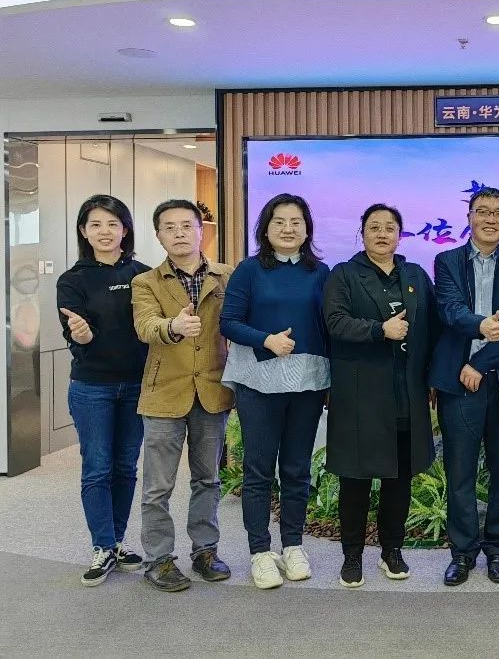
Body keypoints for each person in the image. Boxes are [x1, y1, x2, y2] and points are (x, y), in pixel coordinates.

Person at [323, 204, 439, 588]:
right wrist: (379, 330)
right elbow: (335, 322)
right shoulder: (343, 274)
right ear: (362, 233)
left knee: (398, 479)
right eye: (374, 227)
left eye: (390, 227)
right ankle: (352, 555)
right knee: (355, 480)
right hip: (359, 394)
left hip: (405, 392)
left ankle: (392, 550)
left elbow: (433, 328)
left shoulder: (415, 275)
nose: (382, 233)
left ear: (400, 235)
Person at [219, 193, 330, 590]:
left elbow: (330, 324)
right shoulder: (249, 270)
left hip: (307, 380)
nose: (288, 228)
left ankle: (293, 545)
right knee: (259, 469)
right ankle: (260, 552)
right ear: (265, 229)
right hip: (259, 380)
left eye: (296, 221)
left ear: (307, 229)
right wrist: (266, 340)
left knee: (297, 468)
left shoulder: (321, 272)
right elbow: (229, 322)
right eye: (279, 221)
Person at [429, 186, 499, 587]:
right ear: (469, 216)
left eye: (498, 213)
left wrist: (479, 362)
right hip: (459, 383)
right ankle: (462, 552)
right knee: (460, 470)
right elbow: (449, 308)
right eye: (483, 211)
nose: (491, 219)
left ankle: (498, 549)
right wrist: (479, 326)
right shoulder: (447, 261)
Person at [131, 199, 235, 592]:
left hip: (212, 389)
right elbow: (145, 326)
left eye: (186, 225)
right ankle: (158, 559)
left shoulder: (226, 275)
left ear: (201, 231)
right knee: (157, 487)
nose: (179, 233)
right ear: (159, 235)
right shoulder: (146, 282)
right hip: (164, 392)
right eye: (169, 227)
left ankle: (205, 551)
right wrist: (172, 326)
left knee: (208, 479)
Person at [57, 195, 151, 587]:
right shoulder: (72, 280)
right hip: (92, 387)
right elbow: (75, 336)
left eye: (113, 224)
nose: (105, 232)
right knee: (97, 466)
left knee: (126, 465)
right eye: (95, 224)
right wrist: (81, 334)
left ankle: (116, 540)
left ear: (125, 229)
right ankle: (102, 545)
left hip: (138, 386)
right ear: (84, 231)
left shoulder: (144, 275)